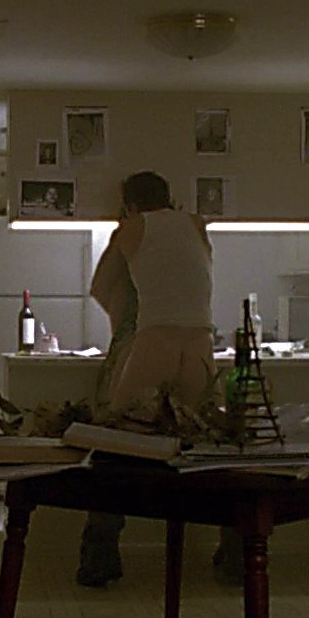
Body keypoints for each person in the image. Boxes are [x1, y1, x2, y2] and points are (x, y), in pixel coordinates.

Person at [76, 171, 221, 587]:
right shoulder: (197, 224)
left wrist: (125, 324)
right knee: (215, 447)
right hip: (201, 346)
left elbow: (101, 287)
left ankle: (99, 555)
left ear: (130, 205)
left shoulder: (130, 228)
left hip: (156, 342)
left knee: (115, 444)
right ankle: (235, 551)